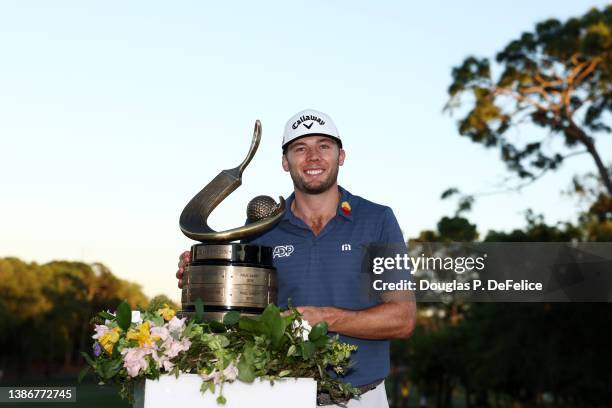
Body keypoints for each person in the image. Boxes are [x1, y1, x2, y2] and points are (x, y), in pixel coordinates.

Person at [176, 109, 416, 407]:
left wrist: (324, 318)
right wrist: (203, 268)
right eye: (300, 148)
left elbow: (402, 319)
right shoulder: (260, 231)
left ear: (341, 156)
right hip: (278, 394)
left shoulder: (378, 220)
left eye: (324, 146)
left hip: (360, 397)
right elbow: (236, 308)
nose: (313, 156)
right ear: (285, 162)